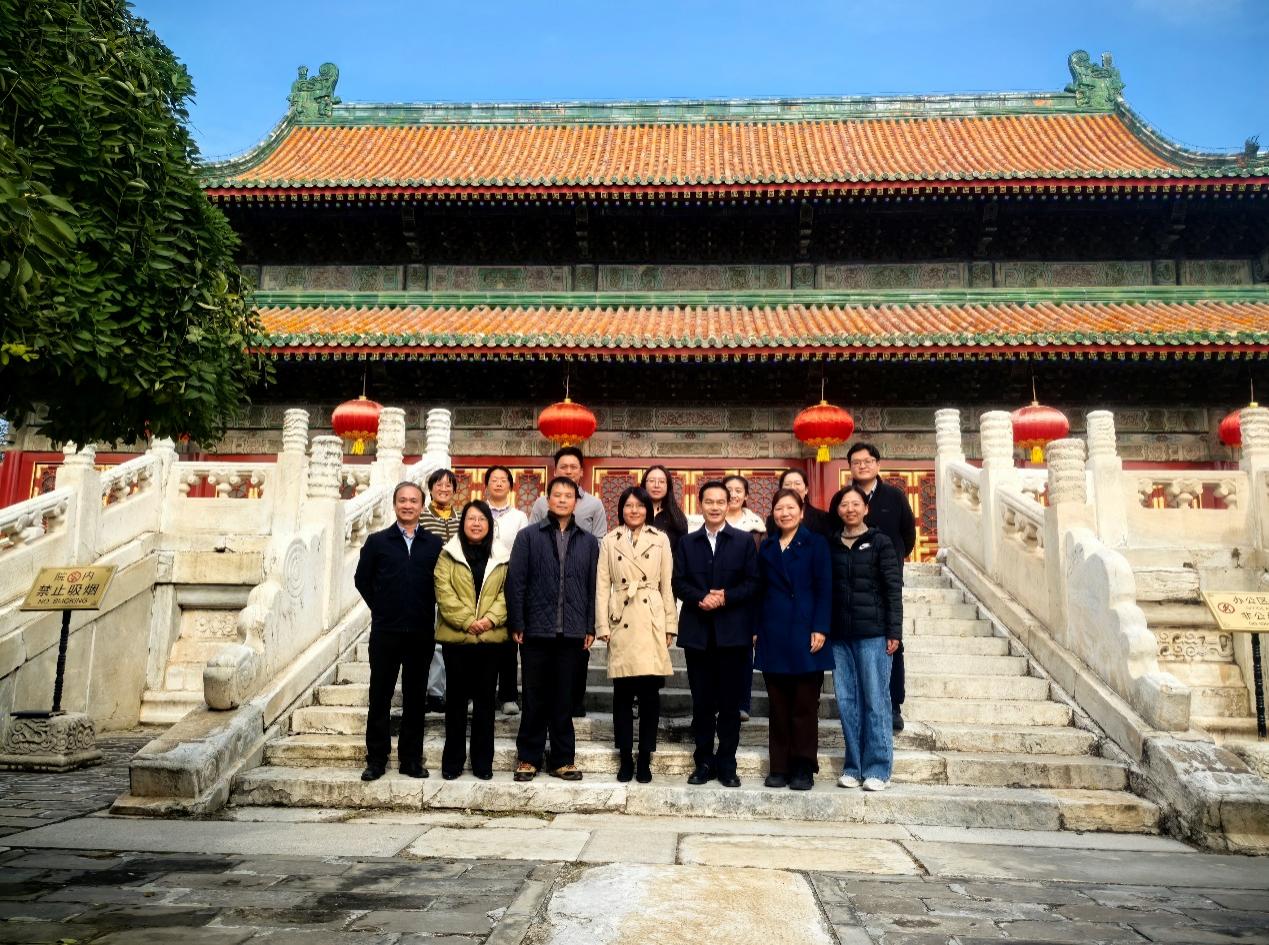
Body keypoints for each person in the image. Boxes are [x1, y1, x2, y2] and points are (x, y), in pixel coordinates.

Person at [506, 475, 601, 782]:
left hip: (572, 630)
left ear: (576, 502)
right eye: (557, 495)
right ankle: (528, 757)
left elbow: (592, 587)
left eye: (568, 495)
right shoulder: (528, 537)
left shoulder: (588, 542)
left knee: (564, 698)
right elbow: (516, 582)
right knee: (534, 696)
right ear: (548, 500)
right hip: (535, 629)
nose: (562, 499)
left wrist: (590, 625)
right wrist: (517, 621)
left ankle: (562, 759)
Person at [353, 481, 443, 782]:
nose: (407, 505)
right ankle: (376, 760)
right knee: (380, 696)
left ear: (422, 506)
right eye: (402, 500)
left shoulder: (433, 544)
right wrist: (381, 607)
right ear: (394, 505)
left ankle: (411, 760)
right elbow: (362, 579)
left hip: (420, 632)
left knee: (415, 699)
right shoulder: (378, 542)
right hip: (386, 632)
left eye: (413, 501)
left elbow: (441, 584)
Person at [672, 480, 760, 788]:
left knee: (731, 705)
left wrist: (726, 597)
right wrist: (700, 597)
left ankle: (727, 764)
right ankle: (703, 762)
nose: (714, 507)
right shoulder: (687, 542)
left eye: (720, 502)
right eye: (709, 501)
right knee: (703, 704)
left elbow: (753, 582)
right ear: (700, 504)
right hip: (698, 634)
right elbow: (678, 582)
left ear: (729, 504)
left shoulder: (743, 541)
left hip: (733, 634)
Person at [595, 486, 677, 783]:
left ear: (648, 510)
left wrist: (670, 624)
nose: (634, 510)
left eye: (640, 506)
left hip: (651, 615)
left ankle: (645, 757)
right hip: (622, 616)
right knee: (622, 695)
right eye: (628, 505)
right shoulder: (610, 540)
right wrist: (602, 625)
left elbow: (667, 584)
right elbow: (602, 585)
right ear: (621, 510)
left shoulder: (660, 539)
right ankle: (625, 757)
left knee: (650, 696)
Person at [755, 489, 832, 790]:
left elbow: (825, 588)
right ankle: (779, 766)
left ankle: (803, 766)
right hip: (773, 631)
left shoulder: (816, 544)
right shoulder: (767, 546)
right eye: (779, 508)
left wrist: (821, 627)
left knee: (804, 705)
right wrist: (756, 628)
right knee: (778, 706)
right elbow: (759, 590)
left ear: (801, 512)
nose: (784, 513)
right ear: (773, 513)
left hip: (806, 630)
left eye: (790, 508)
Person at [826, 487, 902, 792]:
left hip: (873, 633)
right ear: (838, 510)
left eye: (856, 503)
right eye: (844, 504)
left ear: (866, 508)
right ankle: (853, 766)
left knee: (875, 701)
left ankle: (878, 769)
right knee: (847, 702)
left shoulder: (880, 542)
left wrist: (894, 631)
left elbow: (892, 588)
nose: (850, 509)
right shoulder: (831, 544)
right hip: (840, 636)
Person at [434, 500, 509, 781]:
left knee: (485, 704)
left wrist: (489, 620)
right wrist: (468, 622)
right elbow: (444, 593)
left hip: (490, 640)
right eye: (471, 519)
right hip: (457, 640)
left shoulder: (502, 556)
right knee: (455, 703)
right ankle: (452, 762)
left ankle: (482, 762)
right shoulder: (448, 555)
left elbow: (507, 593)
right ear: (462, 523)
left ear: (490, 524)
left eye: (482, 519)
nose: (476, 524)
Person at [529, 446, 607, 718]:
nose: (569, 471)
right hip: (547, 586)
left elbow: (601, 539)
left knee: (577, 654)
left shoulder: (594, 505)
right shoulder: (541, 504)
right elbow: (533, 537)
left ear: (582, 472)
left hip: (580, 578)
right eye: (564, 466)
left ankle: (575, 702)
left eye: (574, 467)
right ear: (555, 470)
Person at [846, 442, 917, 733]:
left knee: (892, 641)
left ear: (877, 464)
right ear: (850, 467)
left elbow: (908, 535)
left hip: (886, 580)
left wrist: (893, 562)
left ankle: (893, 704)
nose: (862, 466)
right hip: (855, 583)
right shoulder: (847, 498)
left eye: (867, 461)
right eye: (856, 462)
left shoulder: (894, 497)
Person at [484, 464, 529, 717]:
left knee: (509, 641)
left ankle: (509, 695)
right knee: (482, 641)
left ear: (511, 486)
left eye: (503, 480)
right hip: (482, 582)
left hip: (510, 581)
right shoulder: (477, 512)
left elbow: (523, 551)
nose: (499, 483)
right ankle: (481, 693)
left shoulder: (520, 517)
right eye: (494, 479)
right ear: (486, 485)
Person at [722, 474, 765, 722]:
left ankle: (742, 703)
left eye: (739, 490)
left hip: (746, 598)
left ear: (746, 495)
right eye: (729, 489)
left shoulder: (757, 528)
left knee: (743, 654)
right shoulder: (710, 523)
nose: (734, 494)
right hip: (716, 597)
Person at [419, 468, 460, 713]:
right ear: (431, 488)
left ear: (454, 490)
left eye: (448, 485)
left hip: (454, 589)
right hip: (427, 588)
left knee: (447, 643)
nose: (443, 489)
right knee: (427, 642)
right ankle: (425, 691)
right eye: (439, 485)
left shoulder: (461, 518)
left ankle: (440, 692)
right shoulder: (422, 517)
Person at [766, 469, 835, 538]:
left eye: (797, 483)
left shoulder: (823, 518)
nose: (792, 488)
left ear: (806, 490)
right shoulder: (772, 520)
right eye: (787, 484)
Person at [641, 465, 688, 553]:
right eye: (652, 481)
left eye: (662, 481)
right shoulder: (635, 513)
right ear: (644, 484)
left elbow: (682, 553)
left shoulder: (677, 517)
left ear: (668, 486)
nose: (656, 485)